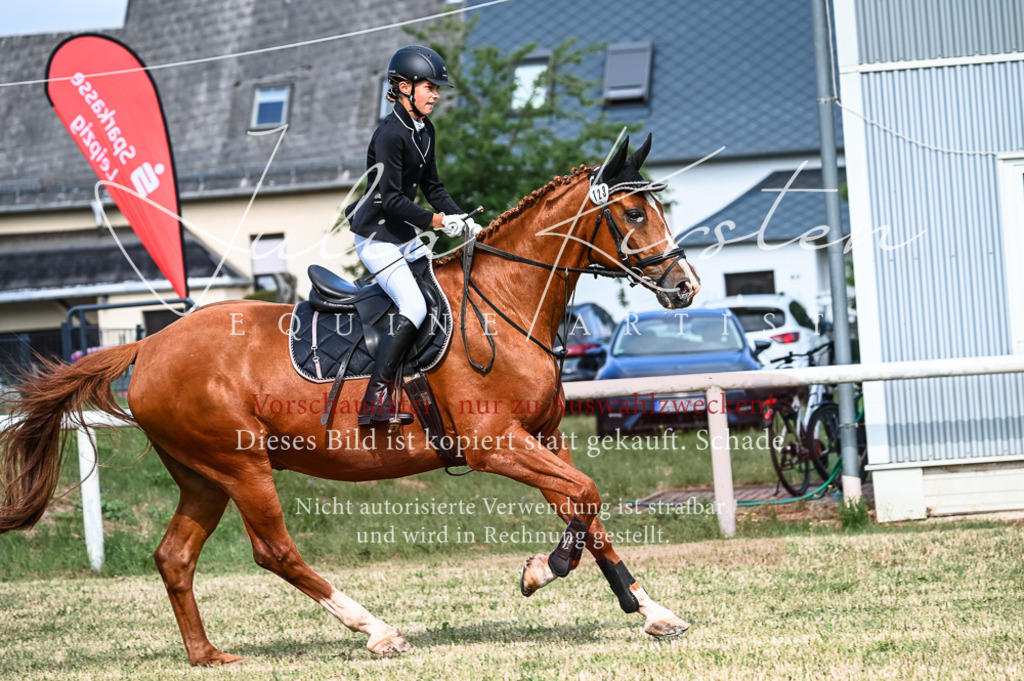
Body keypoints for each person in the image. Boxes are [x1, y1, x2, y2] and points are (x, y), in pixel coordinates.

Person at [345, 45, 481, 427]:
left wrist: (463, 219)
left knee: (442, 295)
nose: (436, 95)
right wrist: (437, 222)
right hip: (376, 236)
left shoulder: (425, 129)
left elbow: (433, 187)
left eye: (437, 89)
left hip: (402, 233)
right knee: (415, 306)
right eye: (430, 87)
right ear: (404, 87)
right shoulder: (389, 134)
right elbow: (389, 200)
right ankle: (374, 401)